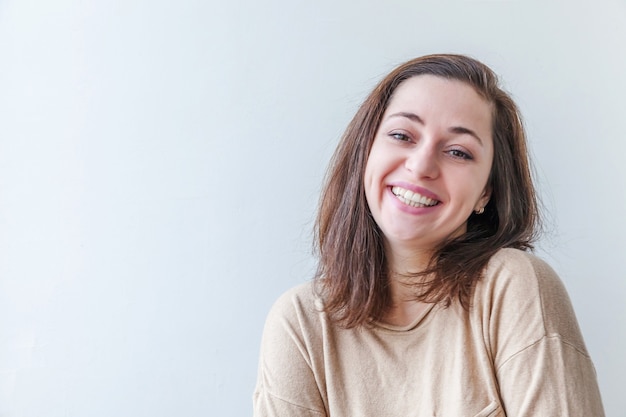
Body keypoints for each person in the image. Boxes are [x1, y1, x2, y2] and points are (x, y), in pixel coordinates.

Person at [253, 54, 605, 416]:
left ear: (487, 191)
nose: (421, 166)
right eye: (402, 135)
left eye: (457, 152)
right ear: (366, 153)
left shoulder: (513, 286)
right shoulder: (301, 323)